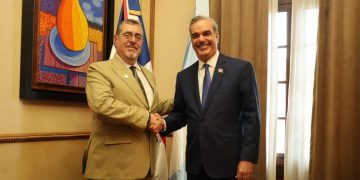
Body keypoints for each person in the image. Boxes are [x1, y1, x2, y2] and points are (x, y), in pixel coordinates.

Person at [155, 16, 261, 180]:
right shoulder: (183, 77)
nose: (201, 39)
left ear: (216, 36)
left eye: (206, 33)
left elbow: (252, 117)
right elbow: (181, 114)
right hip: (195, 166)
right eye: (196, 36)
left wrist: (247, 158)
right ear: (192, 40)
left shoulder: (240, 69)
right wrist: (162, 123)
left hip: (229, 164)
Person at [82, 19, 173, 180]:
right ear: (116, 40)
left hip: (146, 165)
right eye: (127, 35)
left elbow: (153, 107)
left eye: (138, 37)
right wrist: (146, 118)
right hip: (113, 166)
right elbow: (102, 105)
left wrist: (186, 97)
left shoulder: (148, 74)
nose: (133, 40)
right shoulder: (99, 69)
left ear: (142, 43)